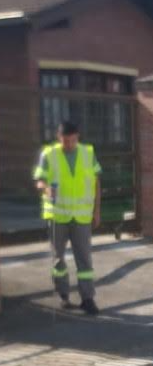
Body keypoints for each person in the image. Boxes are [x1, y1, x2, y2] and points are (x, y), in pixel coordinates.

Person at [33, 121, 102, 315]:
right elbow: (39, 180)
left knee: (84, 260)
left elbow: (96, 182)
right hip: (58, 216)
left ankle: (88, 299)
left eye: (72, 140)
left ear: (78, 137)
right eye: (65, 141)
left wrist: (97, 211)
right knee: (58, 260)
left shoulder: (88, 153)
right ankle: (63, 295)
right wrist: (46, 188)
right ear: (59, 137)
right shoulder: (48, 154)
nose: (69, 144)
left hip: (81, 217)